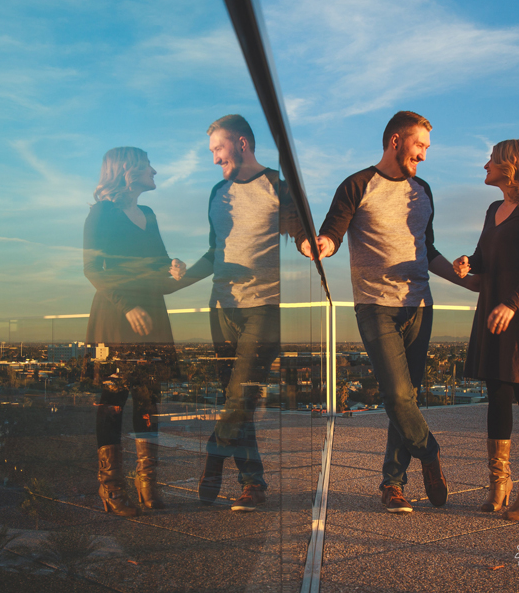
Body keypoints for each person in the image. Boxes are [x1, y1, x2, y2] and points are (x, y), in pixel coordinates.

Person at [302, 111, 479, 513]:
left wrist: (459, 275)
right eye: (420, 145)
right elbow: (331, 235)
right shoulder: (357, 184)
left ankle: (392, 485)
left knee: (409, 399)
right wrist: (320, 247)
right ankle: (430, 454)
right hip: (374, 306)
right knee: (397, 395)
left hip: (420, 305)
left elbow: (426, 249)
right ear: (396, 140)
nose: (425, 155)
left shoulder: (423, 189)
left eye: (427, 148)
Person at [181, 114, 301, 512]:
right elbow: (215, 251)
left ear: (242, 143)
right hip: (221, 309)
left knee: (240, 396)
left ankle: (215, 456)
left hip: (264, 309)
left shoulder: (277, 186)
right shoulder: (217, 192)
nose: (215, 159)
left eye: (219, 148)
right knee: (239, 402)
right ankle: (253, 484)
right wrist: (174, 283)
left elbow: (303, 238)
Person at [452, 139, 519, 521]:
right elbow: (484, 258)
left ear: (510, 164)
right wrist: (469, 261)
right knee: (496, 393)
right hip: (493, 307)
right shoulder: (493, 209)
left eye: (492, 160)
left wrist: (513, 303)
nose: (485, 165)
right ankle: (499, 486)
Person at [83, 147, 185, 516]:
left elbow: (158, 262)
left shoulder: (150, 214)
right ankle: (111, 487)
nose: (155, 170)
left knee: (147, 399)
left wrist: (173, 266)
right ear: (128, 171)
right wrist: (128, 305)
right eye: (147, 166)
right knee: (112, 401)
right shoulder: (101, 214)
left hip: (151, 312)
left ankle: (148, 484)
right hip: (116, 315)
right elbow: (93, 269)